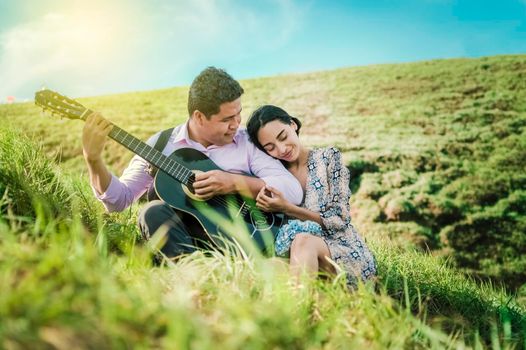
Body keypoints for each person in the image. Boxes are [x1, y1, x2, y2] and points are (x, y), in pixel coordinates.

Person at [81, 67, 303, 259]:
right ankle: (196, 279)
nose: (237, 124)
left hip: (246, 235)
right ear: (199, 117)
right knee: (152, 212)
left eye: (238, 114)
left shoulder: (246, 142)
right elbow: (119, 201)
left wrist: (234, 182)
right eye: (227, 119)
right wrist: (94, 160)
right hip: (186, 240)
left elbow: (292, 191)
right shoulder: (161, 145)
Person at [246, 105, 376, 287]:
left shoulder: (329, 158)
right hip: (299, 260)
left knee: (303, 241)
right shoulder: (274, 176)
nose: (282, 149)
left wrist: (287, 208)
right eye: (270, 147)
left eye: (283, 137)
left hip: (343, 251)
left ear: (293, 125)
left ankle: (300, 313)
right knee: (264, 267)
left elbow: (339, 220)